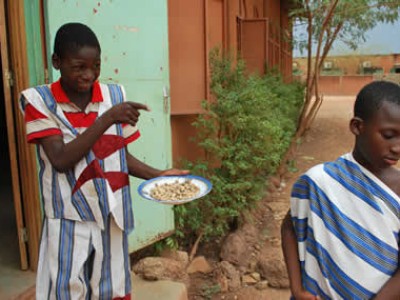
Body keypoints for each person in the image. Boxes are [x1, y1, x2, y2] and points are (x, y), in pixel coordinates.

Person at [19, 22, 188, 299]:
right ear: (56, 62)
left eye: (95, 65)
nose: (89, 74)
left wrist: (159, 176)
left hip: (111, 216)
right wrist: (107, 118)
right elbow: (60, 159)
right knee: (67, 289)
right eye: (79, 67)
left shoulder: (113, 96)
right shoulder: (39, 102)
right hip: (68, 220)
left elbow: (119, 156)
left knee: (111, 288)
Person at [281, 80, 400, 300]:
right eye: (388, 135)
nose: (397, 147)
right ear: (357, 127)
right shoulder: (319, 181)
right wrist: (297, 289)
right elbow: (289, 227)